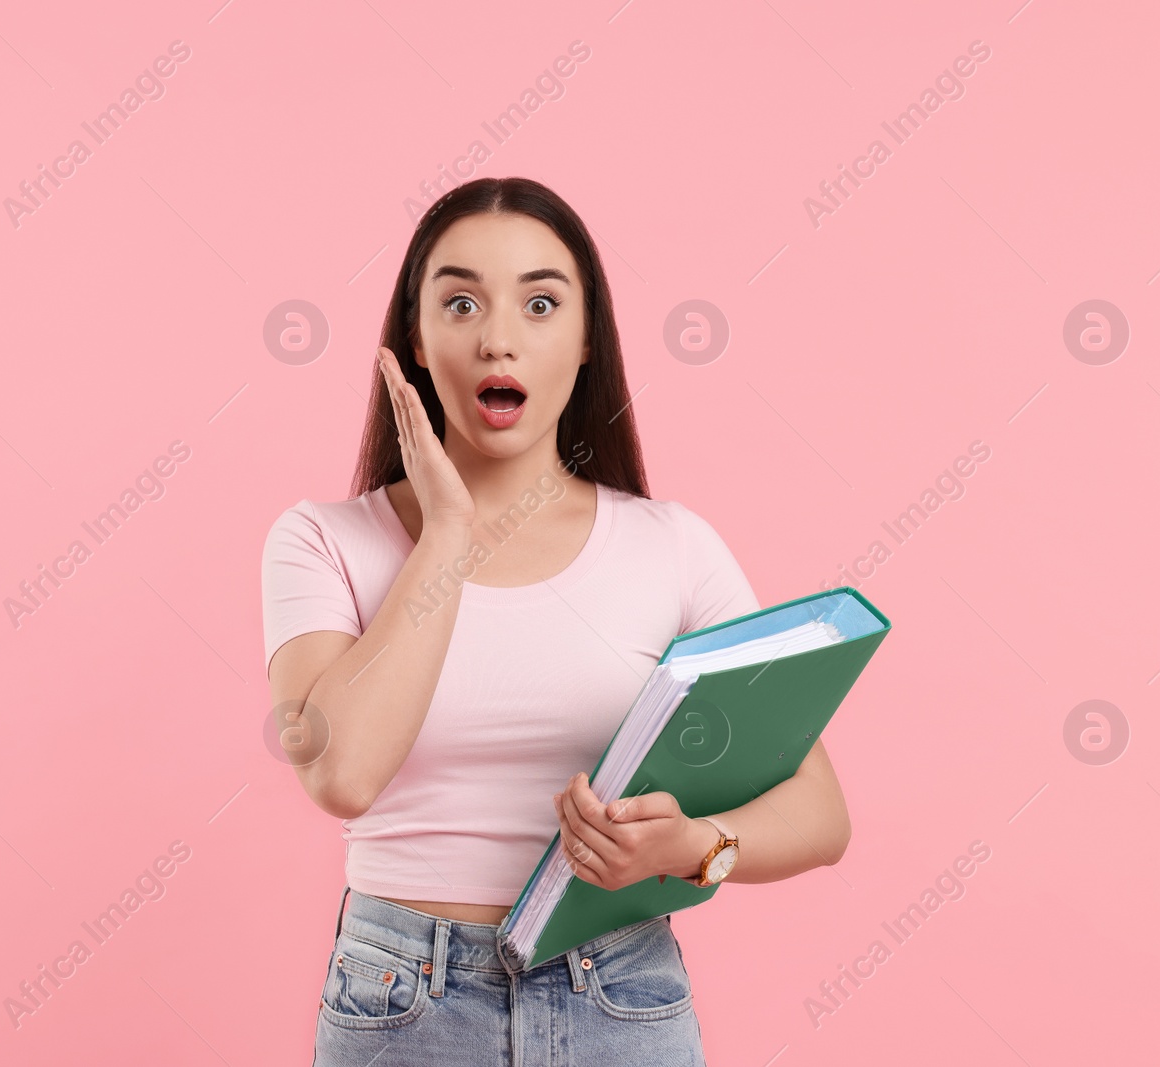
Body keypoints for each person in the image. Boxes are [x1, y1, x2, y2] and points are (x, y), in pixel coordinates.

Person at [262, 176, 852, 1066]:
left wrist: (694, 847)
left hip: (621, 997)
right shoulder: (322, 540)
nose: (499, 336)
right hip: (402, 1006)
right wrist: (449, 534)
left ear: (585, 343)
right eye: (461, 301)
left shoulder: (673, 547)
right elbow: (341, 775)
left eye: (541, 303)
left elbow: (821, 811)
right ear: (415, 339)